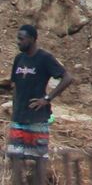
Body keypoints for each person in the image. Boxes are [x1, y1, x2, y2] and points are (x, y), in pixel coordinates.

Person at [7, 25, 68, 164]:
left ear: (32, 39)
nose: (18, 41)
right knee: (15, 160)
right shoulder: (19, 59)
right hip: (18, 119)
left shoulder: (44, 58)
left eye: (21, 39)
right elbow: (15, 85)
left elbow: (67, 78)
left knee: (37, 161)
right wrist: (15, 109)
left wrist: (47, 99)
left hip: (37, 119)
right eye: (18, 38)